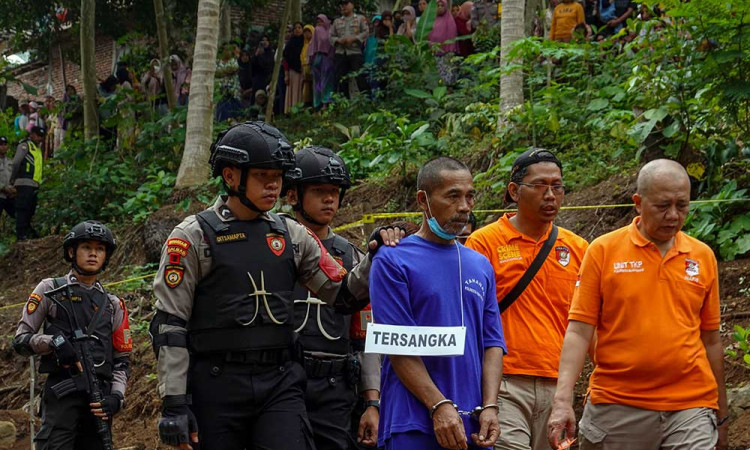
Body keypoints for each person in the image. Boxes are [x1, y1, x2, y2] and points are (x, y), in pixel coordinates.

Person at [150, 121, 402, 450]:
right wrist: (174, 403)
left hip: (280, 381)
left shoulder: (293, 235)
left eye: (278, 177)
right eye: (262, 177)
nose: (273, 186)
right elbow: (170, 324)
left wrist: (374, 255)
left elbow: (342, 295)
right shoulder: (192, 236)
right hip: (216, 383)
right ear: (230, 177)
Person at [547, 159, 729, 450]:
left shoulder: (702, 256)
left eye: (682, 205)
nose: (673, 215)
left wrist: (722, 411)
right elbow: (579, 331)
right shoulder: (603, 251)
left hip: (691, 404)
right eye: (662, 206)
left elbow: (710, 340)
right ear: (638, 203)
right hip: (617, 405)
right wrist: (562, 401)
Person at [370, 156, 506, 450]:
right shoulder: (392, 259)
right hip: (413, 421)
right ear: (423, 200)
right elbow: (396, 345)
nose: (465, 207)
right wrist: (438, 405)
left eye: (470, 196)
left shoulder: (480, 265)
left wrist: (491, 406)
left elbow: (493, 342)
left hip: (472, 424)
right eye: (453, 196)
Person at [464, 148, 588, 450]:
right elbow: (469, 317)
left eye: (557, 186)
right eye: (540, 185)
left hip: (559, 386)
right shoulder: (483, 243)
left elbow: (588, 322)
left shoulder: (578, 248)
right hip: (504, 383)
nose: (550, 195)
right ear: (514, 191)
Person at [283, 146, 381, 450]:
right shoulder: (272, 247)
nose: (329, 199)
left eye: (335, 192)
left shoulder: (354, 257)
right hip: (281, 381)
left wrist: (372, 402)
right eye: (319, 190)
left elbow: (366, 336)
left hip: (336, 388)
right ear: (292, 196)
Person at [12, 220, 132, 449]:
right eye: (86, 247)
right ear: (71, 251)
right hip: (62, 393)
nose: (93, 254)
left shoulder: (113, 304)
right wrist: (53, 343)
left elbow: (122, 360)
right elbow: (20, 340)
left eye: (100, 249)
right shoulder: (50, 289)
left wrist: (117, 397)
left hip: (99, 397)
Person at [10, 125, 45, 241]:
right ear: (32, 135)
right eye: (38, 135)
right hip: (24, 183)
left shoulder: (38, 149)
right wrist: (12, 180)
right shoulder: (25, 145)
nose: (40, 138)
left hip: (34, 184)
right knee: (22, 209)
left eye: (42, 136)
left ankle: (27, 234)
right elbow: (16, 163)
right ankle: (21, 236)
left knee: (30, 210)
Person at [330, 0, 369, 97]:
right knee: (341, 79)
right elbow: (331, 36)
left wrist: (354, 38)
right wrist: (339, 40)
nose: (343, 7)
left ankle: (366, 101)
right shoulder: (337, 21)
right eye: (342, 5)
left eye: (346, 4)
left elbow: (366, 32)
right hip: (340, 53)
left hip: (355, 52)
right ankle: (343, 103)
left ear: (352, 5)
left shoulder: (360, 19)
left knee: (360, 78)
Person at [308, 15, 336, 110]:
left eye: (321, 21)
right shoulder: (317, 30)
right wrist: (311, 60)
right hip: (318, 57)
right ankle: (318, 103)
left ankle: (325, 102)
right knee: (318, 82)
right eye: (318, 21)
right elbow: (313, 45)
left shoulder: (331, 30)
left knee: (326, 81)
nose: (319, 23)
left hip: (327, 58)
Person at [284, 23, 305, 113]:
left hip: (303, 70)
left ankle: (300, 110)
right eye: (295, 28)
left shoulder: (306, 43)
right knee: (293, 91)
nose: (297, 30)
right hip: (292, 72)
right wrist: (286, 75)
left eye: (299, 28)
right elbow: (285, 60)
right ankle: (291, 110)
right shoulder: (290, 44)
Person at [0, 136, 15, 219]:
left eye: (5, 144)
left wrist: (13, 189)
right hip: (1, 194)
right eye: (1, 145)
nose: (3, 147)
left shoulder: (10, 161)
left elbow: (13, 177)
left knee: (18, 215)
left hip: (9, 195)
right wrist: (3, 188)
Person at [301, 25, 315, 107]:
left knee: (314, 87)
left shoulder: (314, 44)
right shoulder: (304, 45)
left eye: (308, 32)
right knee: (306, 89)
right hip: (305, 69)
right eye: (305, 32)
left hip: (313, 68)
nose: (306, 34)